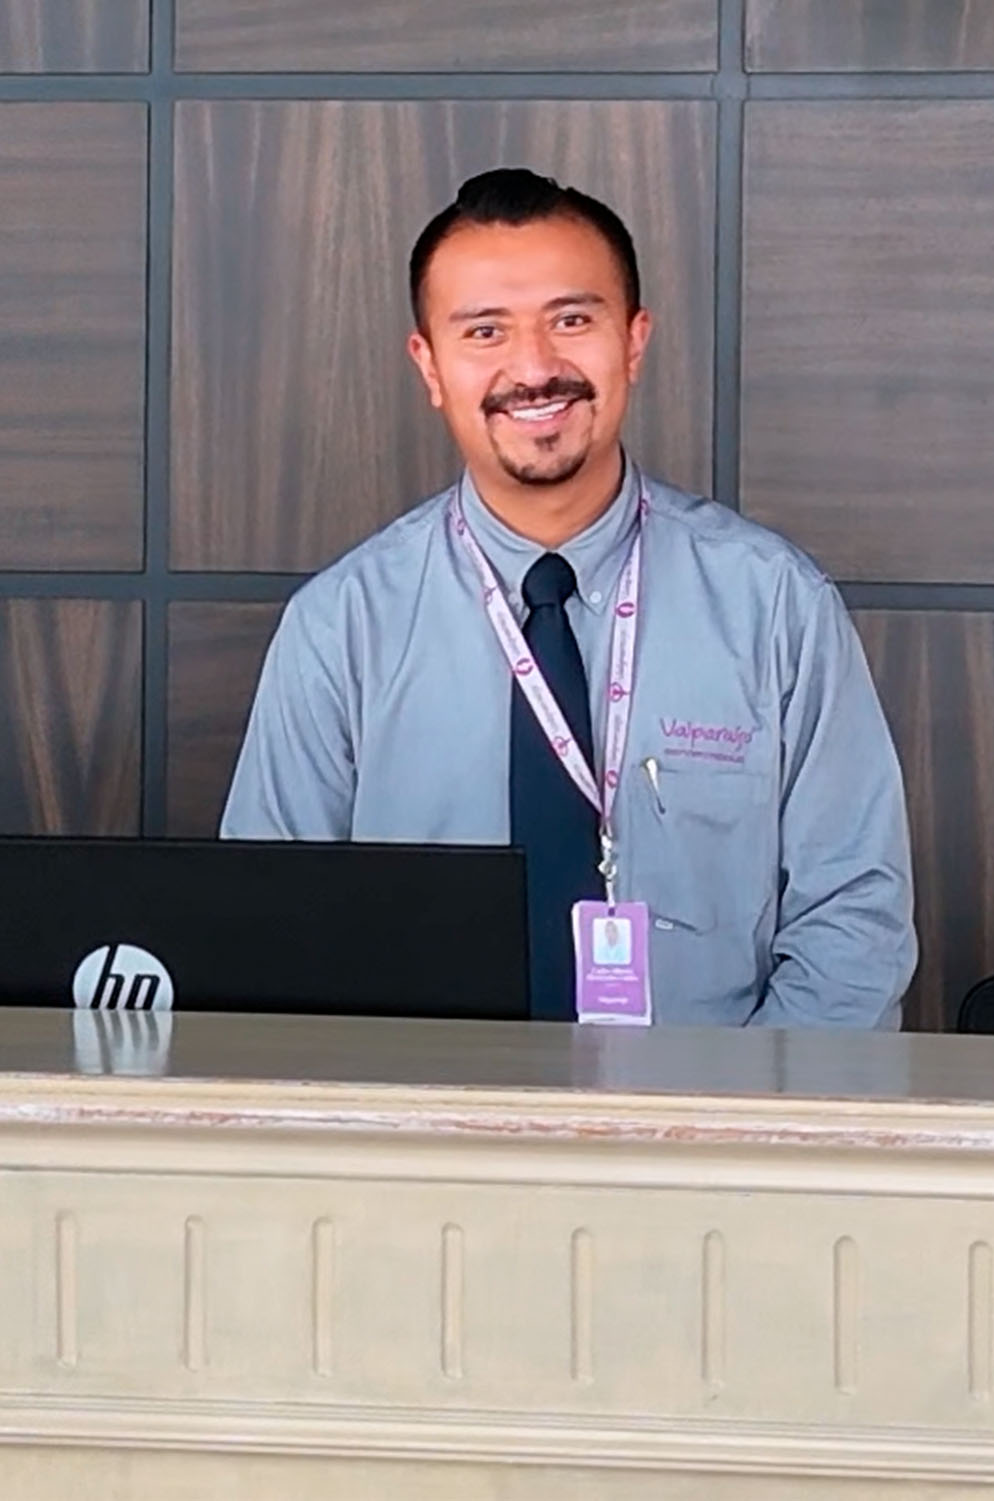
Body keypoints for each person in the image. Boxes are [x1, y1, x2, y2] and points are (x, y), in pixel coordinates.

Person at [221, 167, 917, 1029]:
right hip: (424, 1140)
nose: (535, 368)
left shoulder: (774, 606)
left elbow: (855, 923)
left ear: (633, 341)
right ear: (429, 365)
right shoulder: (340, 628)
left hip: (714, 1134)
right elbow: (272, 932)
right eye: (484, 331)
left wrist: (725, 1137)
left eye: (573, 320)